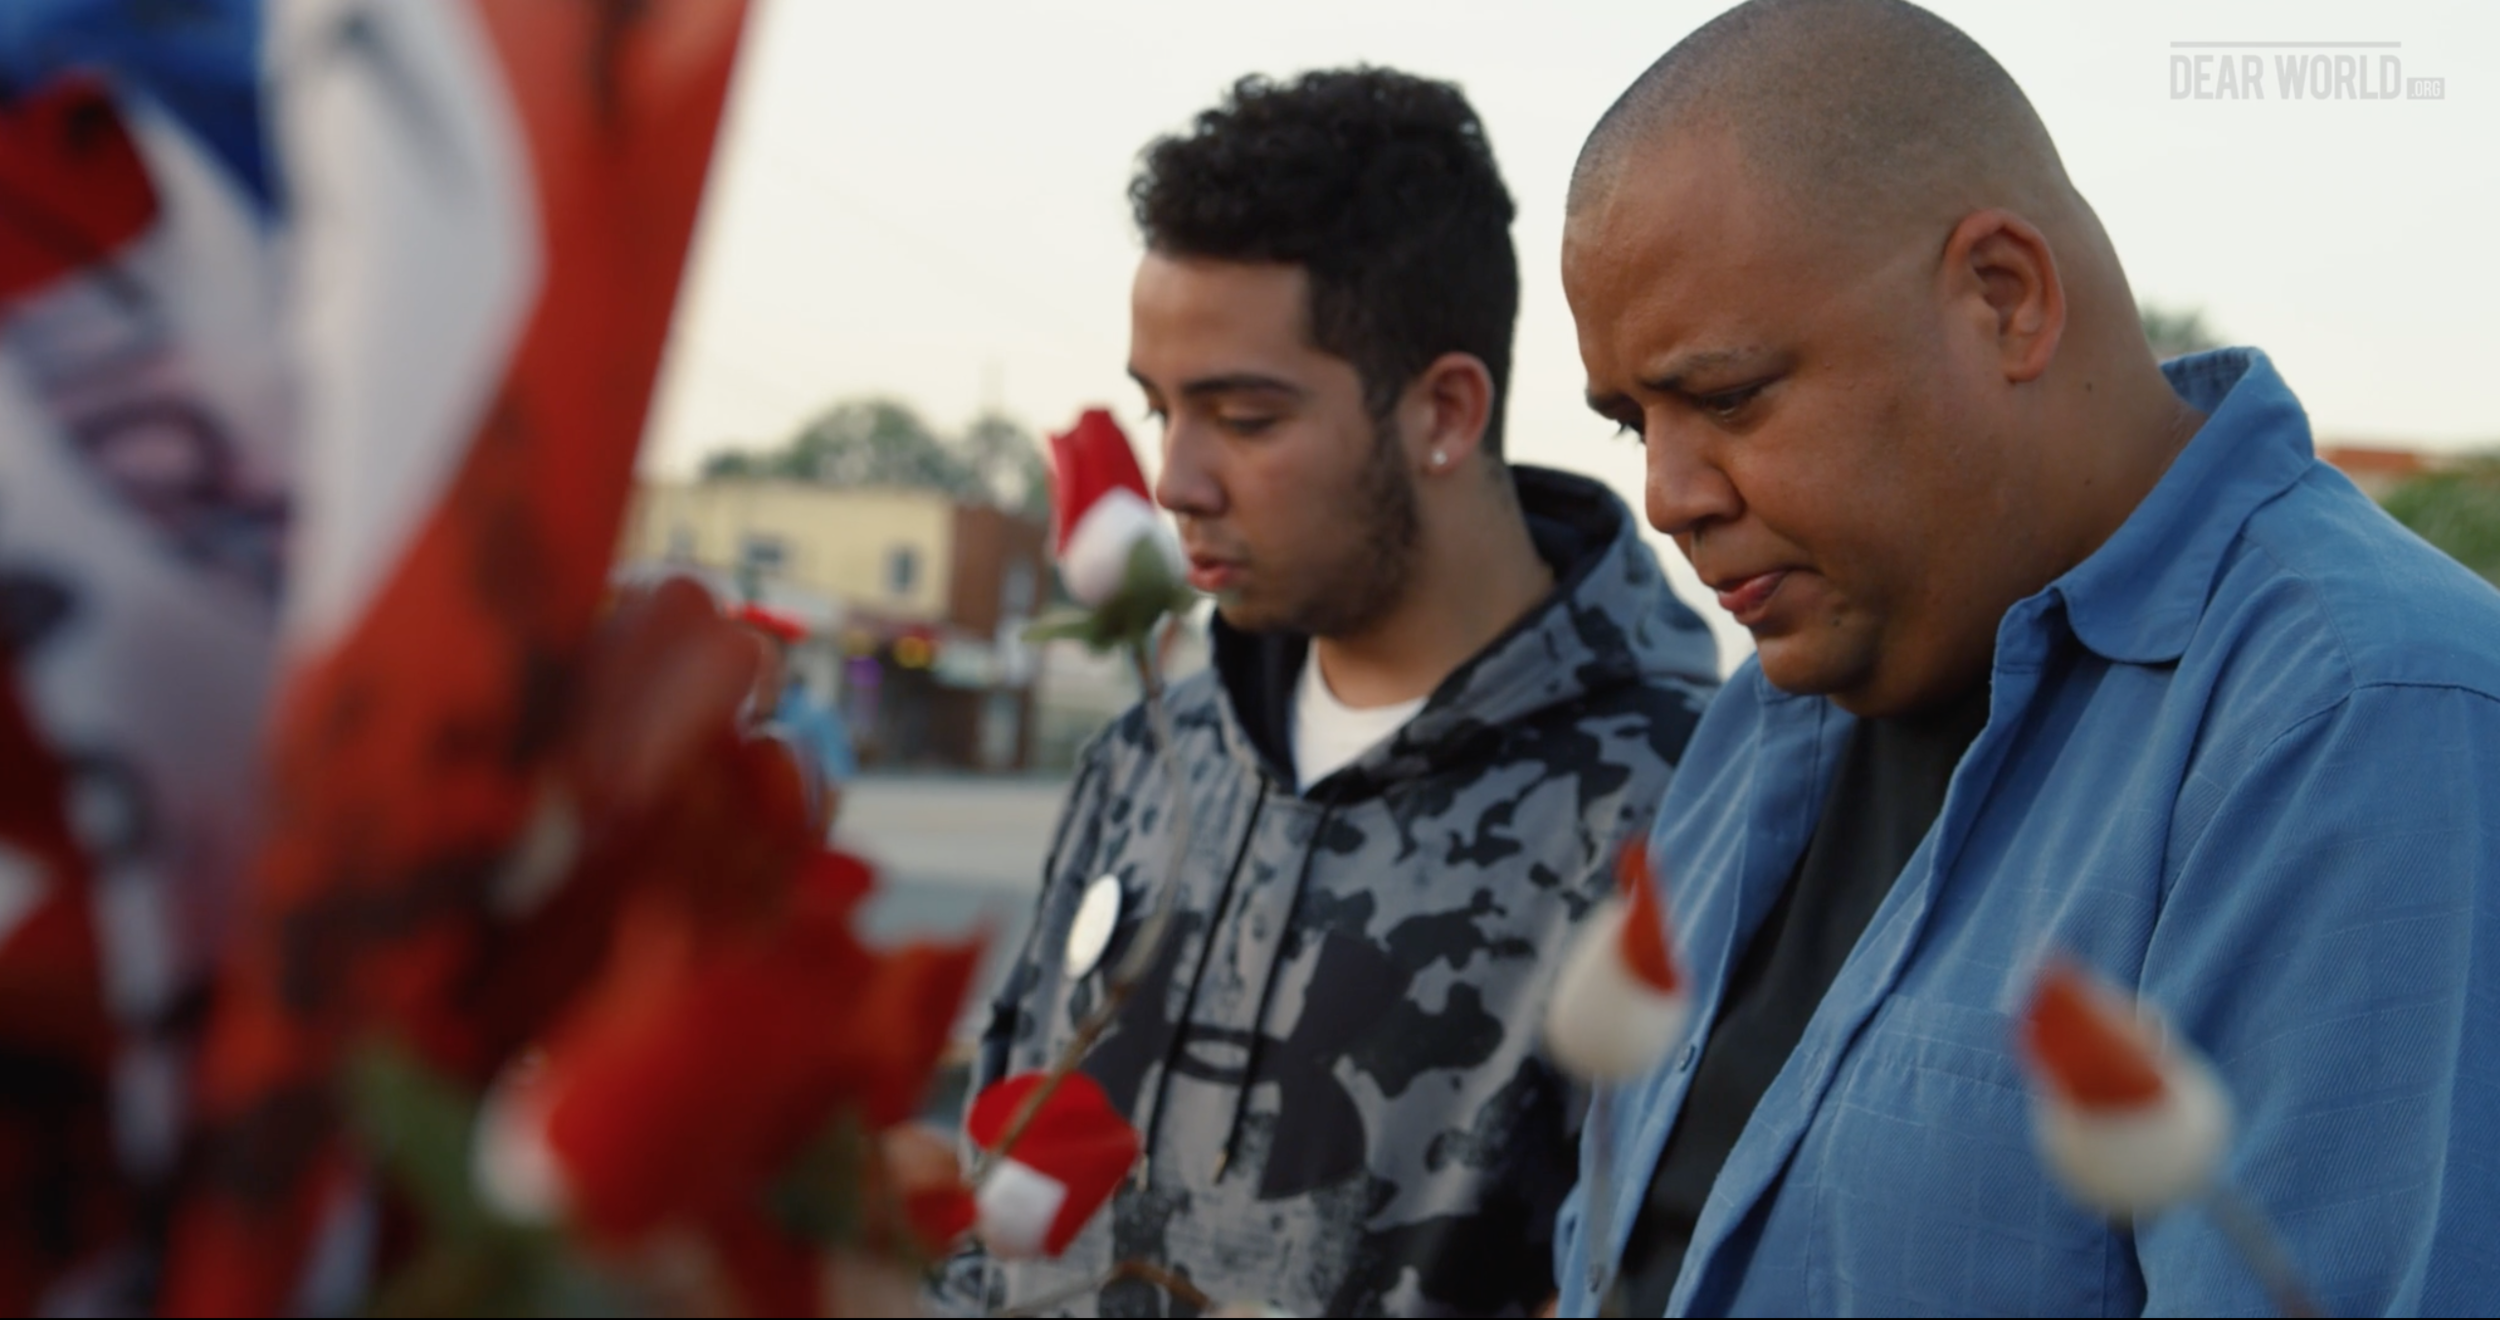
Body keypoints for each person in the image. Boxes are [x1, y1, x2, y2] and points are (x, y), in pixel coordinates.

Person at [1553, 1, 2500, 1315]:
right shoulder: (1764, 721)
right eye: (1631, 423)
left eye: (1726, 397)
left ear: (2004, 297)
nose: (1667, 496)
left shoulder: (2364, 720)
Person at [941, 68, 1721, 1317]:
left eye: (1244, 418)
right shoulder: (1148, 758)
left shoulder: (1680, 806)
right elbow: (989, 1219)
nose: (1175, 480)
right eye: (1158, 409)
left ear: (1444, 411)